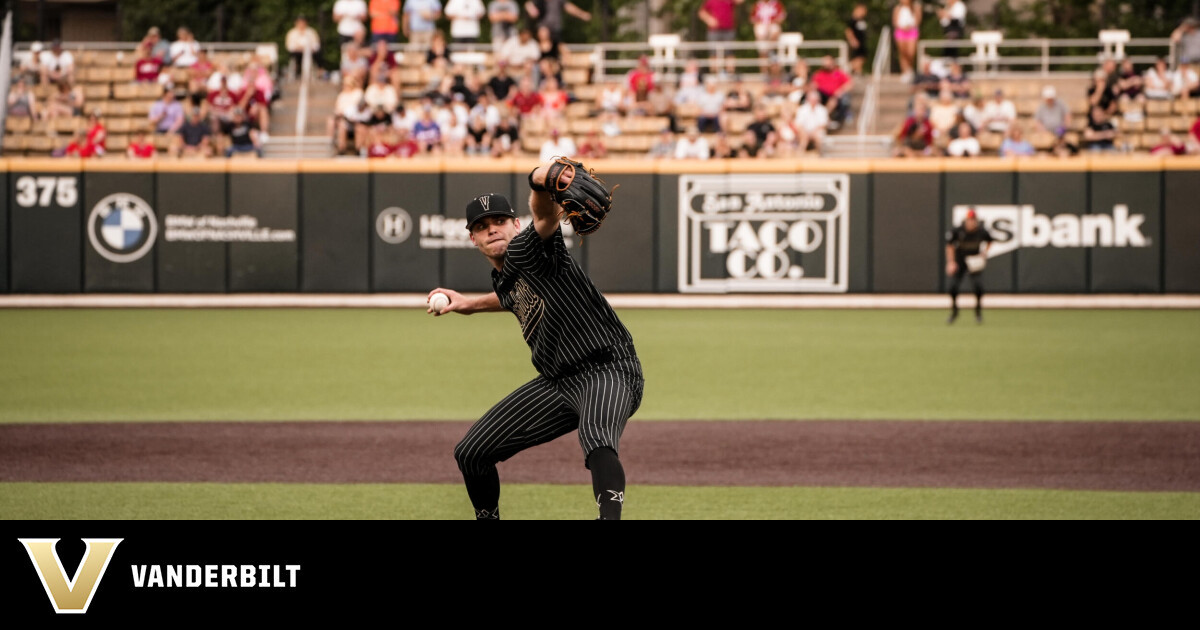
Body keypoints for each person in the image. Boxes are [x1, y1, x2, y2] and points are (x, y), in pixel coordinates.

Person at [430, 161, 645, 521]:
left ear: (516, 225)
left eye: (499, 221)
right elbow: (513, 296)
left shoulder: (529, 248)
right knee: (472, 452)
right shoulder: (503, 277)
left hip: (609, 369)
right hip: (557, 383)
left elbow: (544, 216)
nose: (492, 230)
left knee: (597, 438)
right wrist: (469, 304)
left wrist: (538, 180)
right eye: (482, 227)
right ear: (472, 238)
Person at [945, 208, 992, 324]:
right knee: (953, 288)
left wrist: (984, 252)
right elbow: (949, 246)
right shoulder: (958, 231)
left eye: (973, 220)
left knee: (978, 287)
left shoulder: (981, 231)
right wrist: (951, 262)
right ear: (966, 220)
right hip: (960, 261)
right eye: (969, 220)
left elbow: (990, 241)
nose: (971, 222)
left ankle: (978, 312)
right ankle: (955, 311)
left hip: (974, 262)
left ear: (976, 220)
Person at [698, 0, 743, 73]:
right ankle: (715, 74)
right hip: (714, 31)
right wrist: (709, 19)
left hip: (729, 29)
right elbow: (701, 12)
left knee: (730, 53)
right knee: (713, 54)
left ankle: (730, 75)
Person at [524, 0, 591, 42]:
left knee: (560, 48)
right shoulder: (538, 1)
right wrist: (530, 8)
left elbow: (569, 8)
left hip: (556, 31)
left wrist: (582, 14)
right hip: (543, 31)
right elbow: (528, 5)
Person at [750, 0, 786, 68]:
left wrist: (772, 22)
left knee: (775, 29)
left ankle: (769, 51)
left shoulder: (776, 3)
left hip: (772, 28)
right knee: (760, 31)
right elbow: (752, 18)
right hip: (762, 30)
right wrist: (760, 24)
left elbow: (782, 16)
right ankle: (764, 70)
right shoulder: (758, 4)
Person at [892, 0, 921, 80]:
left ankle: (909, 69)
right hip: (901, 32)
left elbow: (918, 20)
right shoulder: (897, 8)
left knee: (910, 53)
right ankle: (905, 71)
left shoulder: (916, 7)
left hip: (912, 31)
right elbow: (895, 21)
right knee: (902, 52)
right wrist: (902, 27)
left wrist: (910, 27)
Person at [845, 4, 869, 76]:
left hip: (862, 42)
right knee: (857, 57)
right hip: (856, 42)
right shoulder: (852, 20)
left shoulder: (862, 20)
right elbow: (848, 31)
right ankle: (850, 69)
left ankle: (858, 71)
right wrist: (852, 40)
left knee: (862, 57)